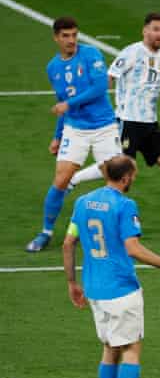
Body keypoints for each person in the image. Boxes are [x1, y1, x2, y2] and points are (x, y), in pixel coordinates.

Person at [62, 155, 160, 378]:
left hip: (95, 290)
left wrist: (72, 282)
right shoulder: (124, 205)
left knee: (110, 349)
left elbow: (69, 242)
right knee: (131, 349)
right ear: (125, 178)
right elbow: (133, 249)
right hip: (121, 289)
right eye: (133, 175)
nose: (134, 179)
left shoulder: (83, 202)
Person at [69, 12, 160, 231]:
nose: (159, 34)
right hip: (128, 121)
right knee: (119, 170)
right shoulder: (132, 52)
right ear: (145, 31)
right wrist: (97, 106)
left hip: (150, 124)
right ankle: (74, 179)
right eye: (155, 29)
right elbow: (109, 77)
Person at [26, 17, 121, 252]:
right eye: (66, 36)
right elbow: (61, 101)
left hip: (103, 127)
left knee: (117, 177)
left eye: (74, 35)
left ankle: (115, 229)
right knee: (60, 180)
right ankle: (45, 232)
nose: (71, 40)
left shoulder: (91, 55)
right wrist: (58, 136)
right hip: (75, 129)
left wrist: (69, 104)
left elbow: (100, 88)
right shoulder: (53, 67)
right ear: (56, 38)